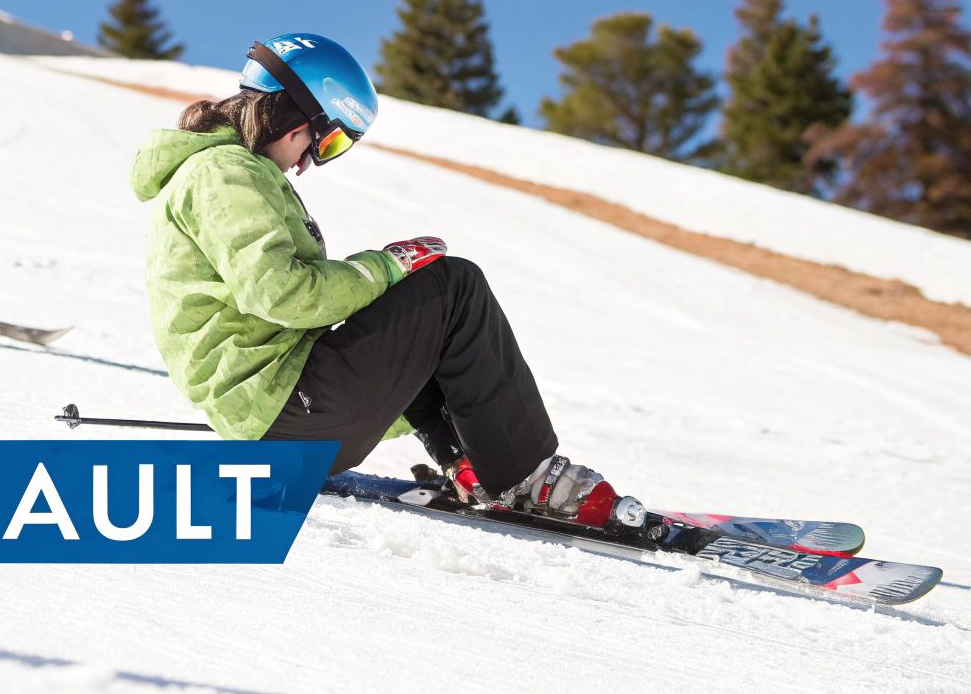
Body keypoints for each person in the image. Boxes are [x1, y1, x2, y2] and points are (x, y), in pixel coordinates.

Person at [130, 32, 630, 526]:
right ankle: (529, 478)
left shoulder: (227, 173)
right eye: (332, 139)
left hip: (277, 414)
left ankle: (469, 461)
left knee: (412, 303)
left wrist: (387, 280)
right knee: (453, 287)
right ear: (294, 116)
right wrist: (384, 266)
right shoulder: (224, 174)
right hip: (285, 415)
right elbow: (281, 293)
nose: (313, 162)